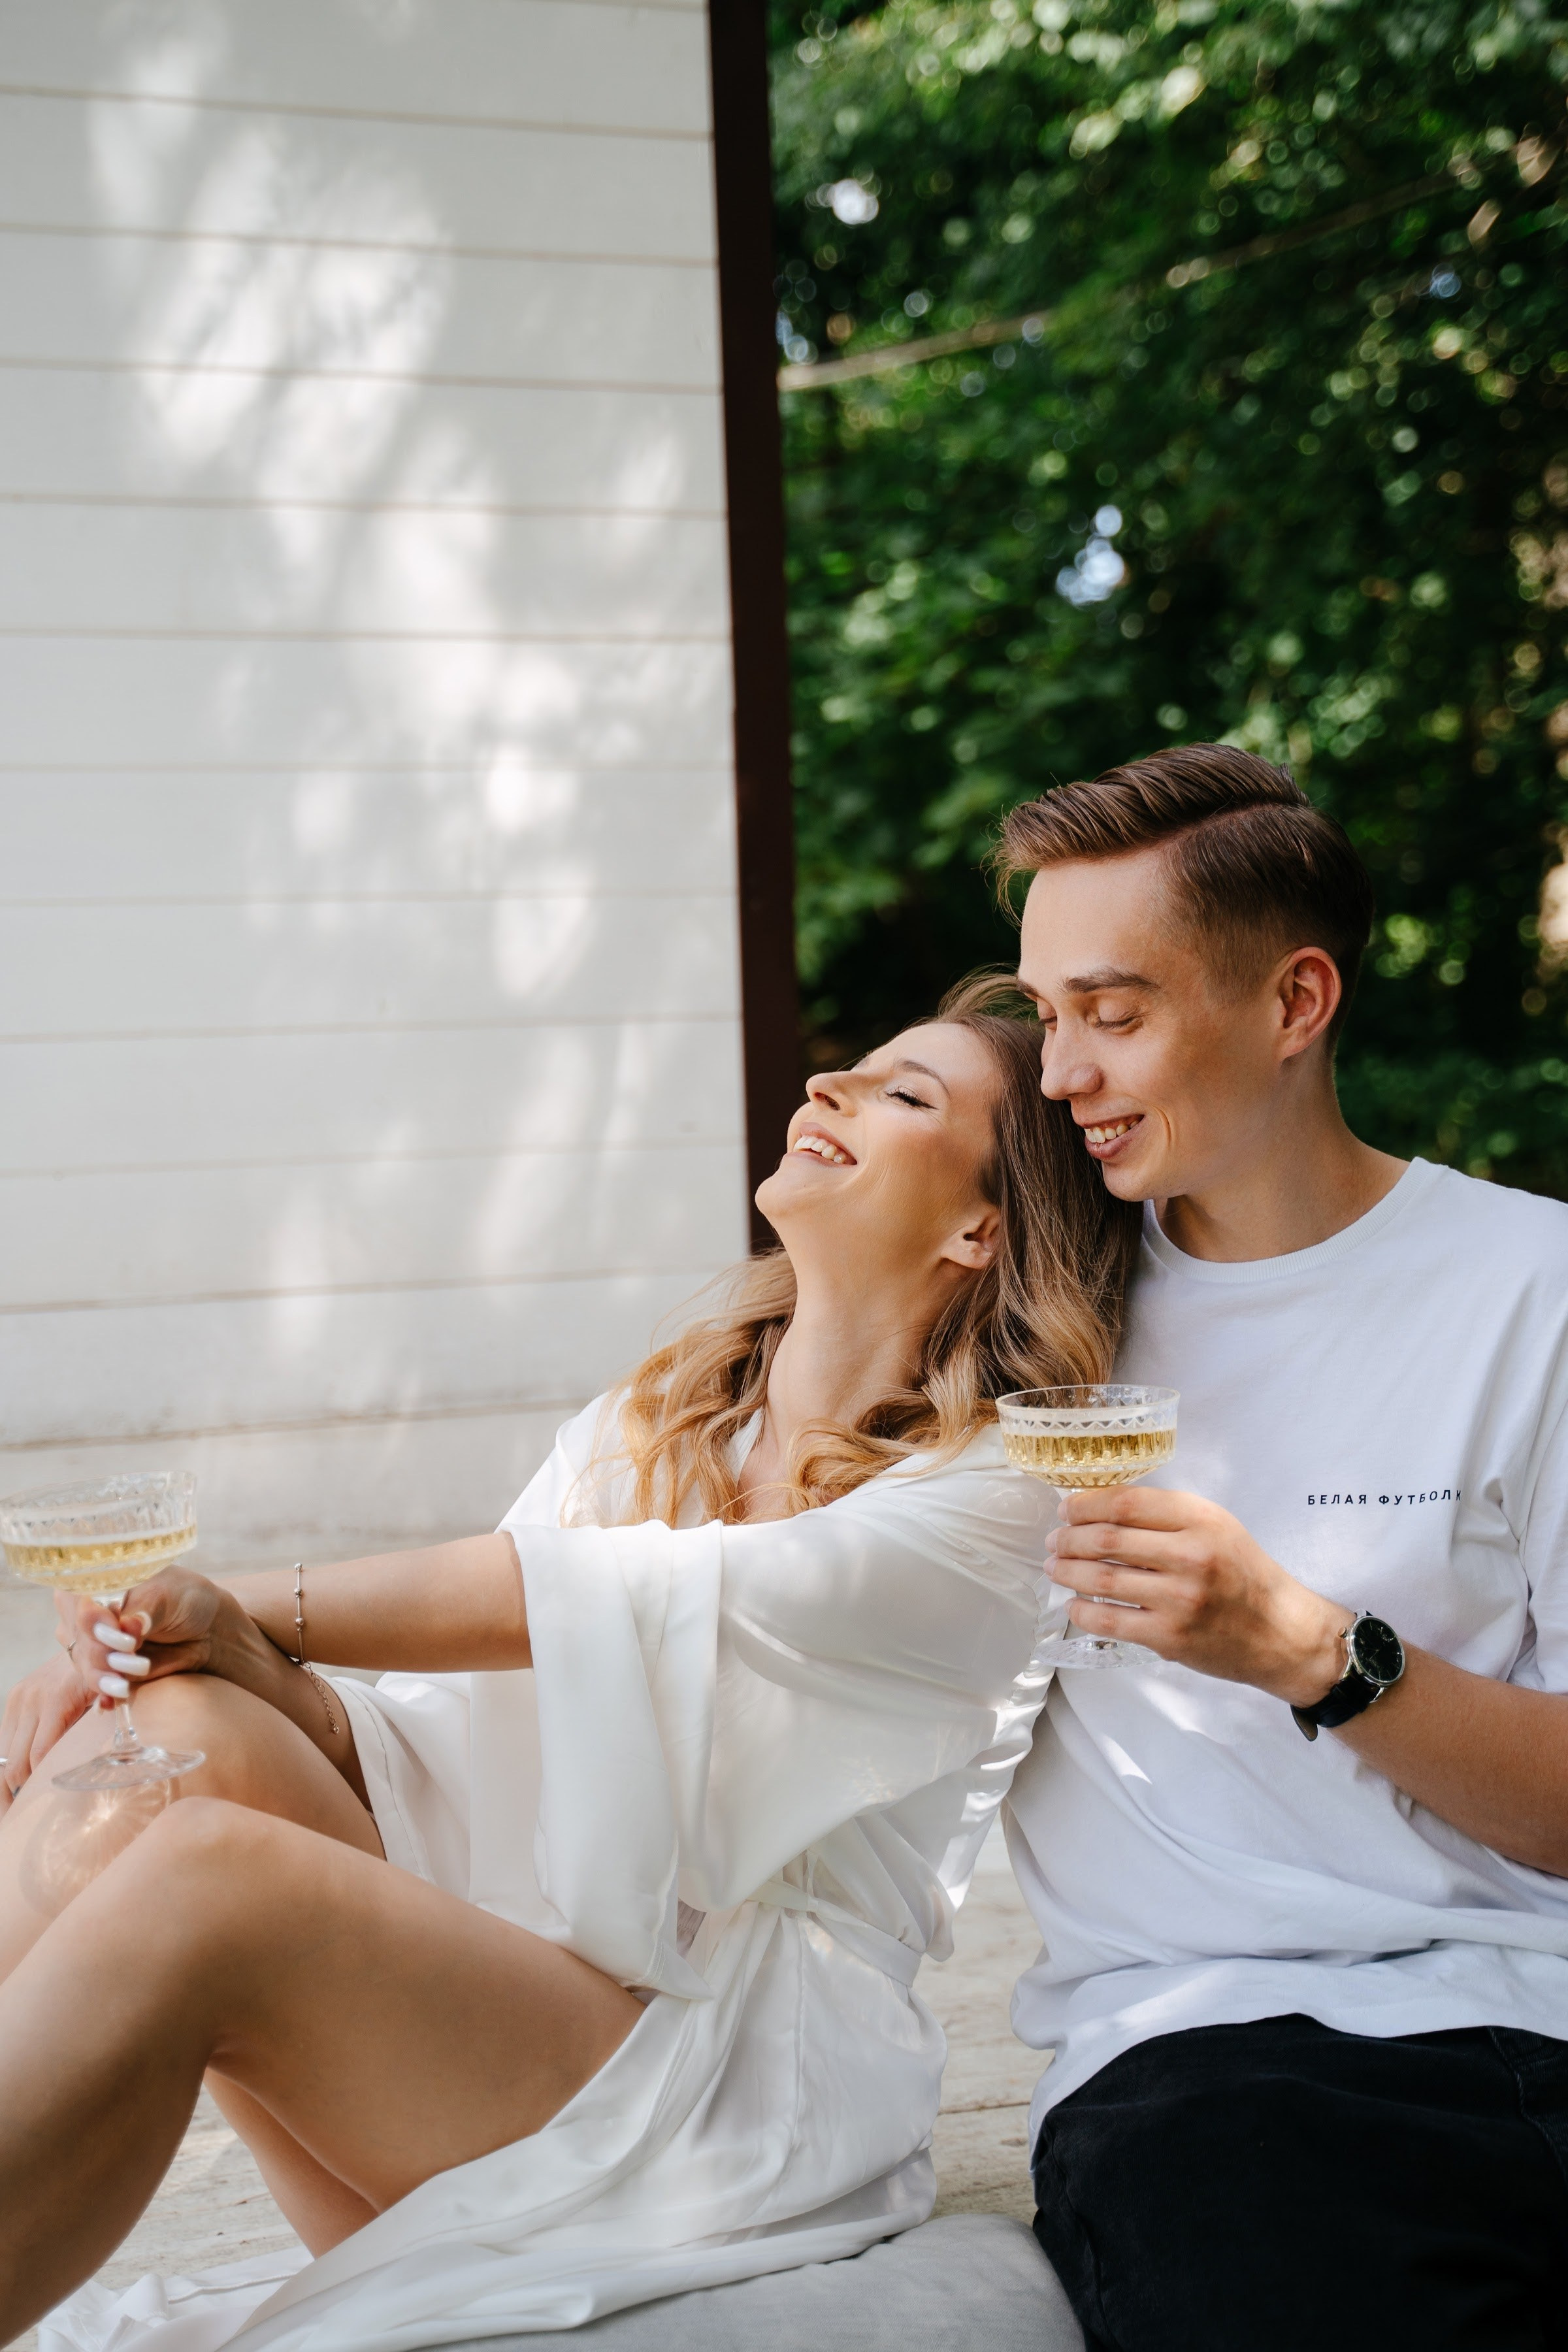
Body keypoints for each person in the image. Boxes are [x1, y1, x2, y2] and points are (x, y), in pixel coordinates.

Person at [0, 981, 1138, 2352]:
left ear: (981, 1228)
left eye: (906, 1095)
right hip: (508, 2030)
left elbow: (615, 1600)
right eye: (856, 1068)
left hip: (718, 2090)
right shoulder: (660, 1426)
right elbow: (431, 1737)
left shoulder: (995, 1496)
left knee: (208, 1876)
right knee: (176, 1734)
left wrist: (242, 1601)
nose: (830, 1085)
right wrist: (189, 1651)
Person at [998, 744, 1568, 2352]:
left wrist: (1307, 1650)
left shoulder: (1536, 1291)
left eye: (1112, 1014)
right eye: (1045, 1017)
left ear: (1296, 1001)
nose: (1061, 1074)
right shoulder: (1037, 1322)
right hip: (1217, 2057)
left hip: (1540, 2016)